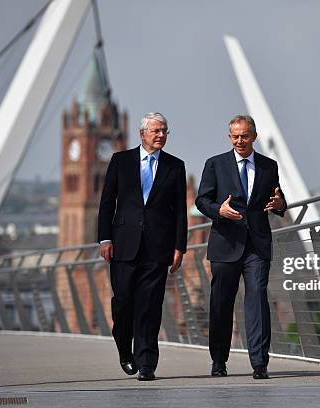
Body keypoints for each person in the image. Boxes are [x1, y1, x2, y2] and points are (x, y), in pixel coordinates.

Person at [195, 114, 286, 380]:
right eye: (235, 136)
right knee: (221, 303)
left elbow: (278, 200)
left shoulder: (269, 166)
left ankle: (260, 363)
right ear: (229, 137)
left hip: (257, 246)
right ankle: (219, 361)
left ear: (254, 136)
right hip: (225, 245)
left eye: (244, 136)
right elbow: (202, 200)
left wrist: (280, 206)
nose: (239, 141)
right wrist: (219, 211)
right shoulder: (215, 164)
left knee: (257, 299)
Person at [97, 112, 187, 381]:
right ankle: (125, 349)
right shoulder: (120, 161)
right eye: (156, 131)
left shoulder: (175, 166)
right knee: (123, 303)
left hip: (158, 248)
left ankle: (147, 363)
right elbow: (106, 203)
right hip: (123, 245)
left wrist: (179, 247)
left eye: (164, 131)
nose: (160, 135)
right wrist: (105, 239)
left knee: (149, 306)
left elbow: (181, 211)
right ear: (142, 134)